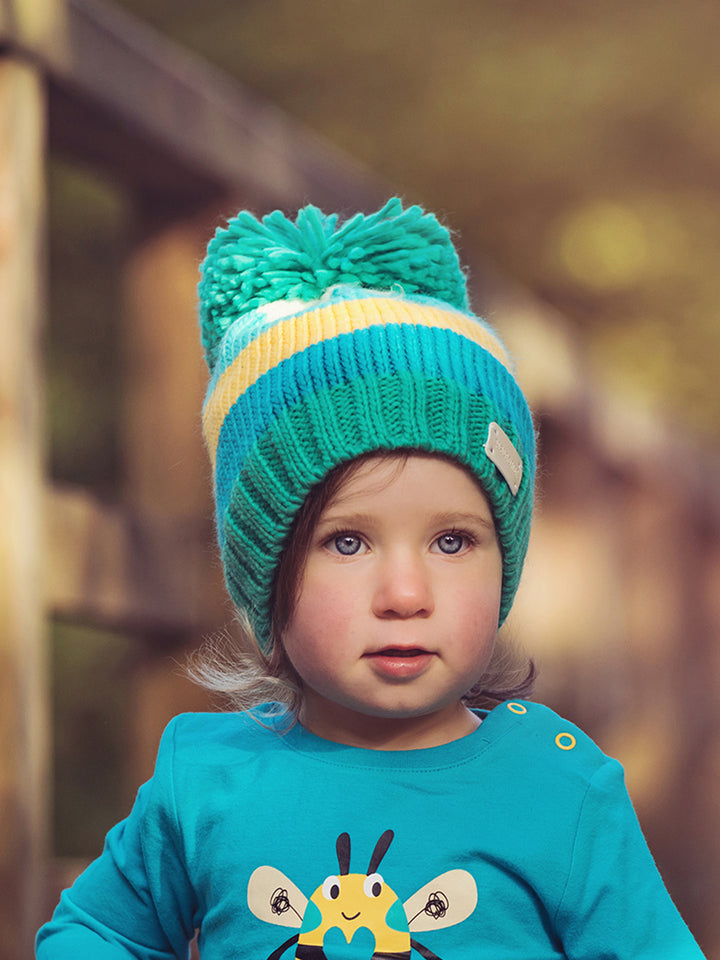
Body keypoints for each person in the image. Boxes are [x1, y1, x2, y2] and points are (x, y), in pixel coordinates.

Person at [36, 198, 705, 959]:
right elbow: (93, 931)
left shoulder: (562, 793)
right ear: (264, 570)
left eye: (453, 541)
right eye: (347, 542)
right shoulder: (210, 779)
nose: (406, 595)